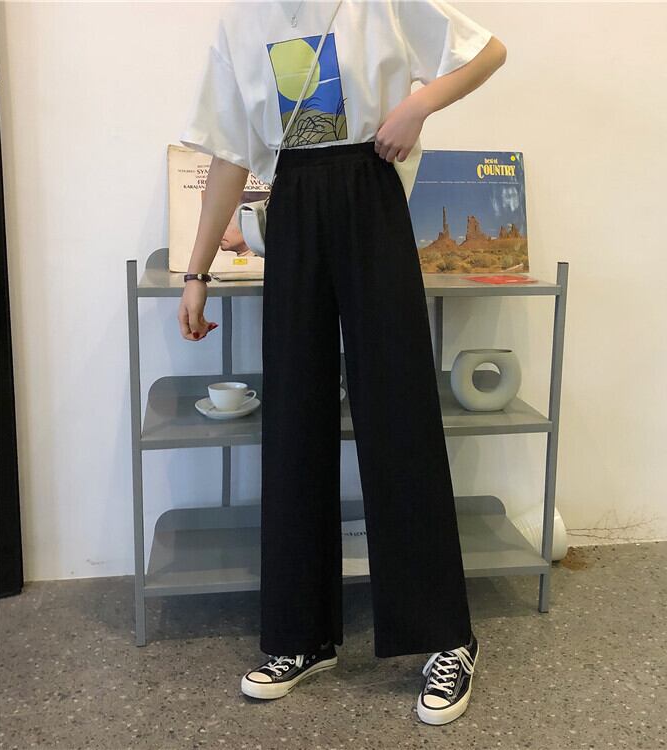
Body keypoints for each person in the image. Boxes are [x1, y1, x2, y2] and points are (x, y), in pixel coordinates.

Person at [177, 0, 506, 726]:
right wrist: (196, 272)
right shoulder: (241, 25)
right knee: (294, 418)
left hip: (370, 194)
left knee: (399, 412)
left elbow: (487, 51)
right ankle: (300, 635)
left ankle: (446, 636)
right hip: (292, 206)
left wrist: (417, 105)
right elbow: (230, 154)